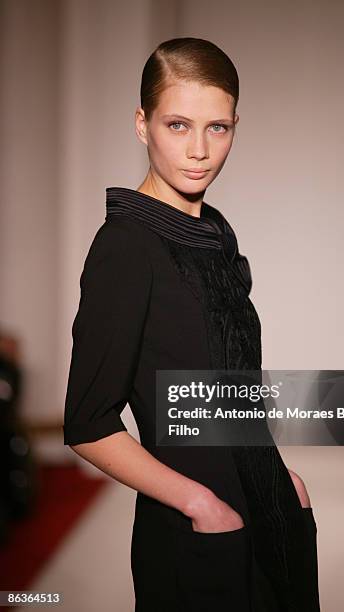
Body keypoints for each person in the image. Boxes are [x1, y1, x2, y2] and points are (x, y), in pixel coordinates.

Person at [63, 37, 320, 612]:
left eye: (218, 128)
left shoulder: (216, 233)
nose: (199, 150)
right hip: (198, 526)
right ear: (141, 124)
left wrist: (283, 481)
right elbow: (87, 423)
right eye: (178, 125)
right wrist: (200, 504)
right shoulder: (126, 247)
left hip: (270, 506)